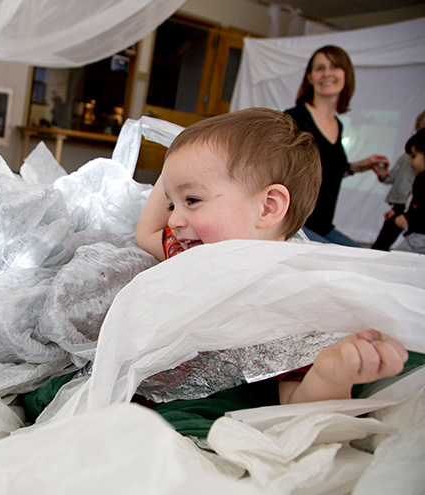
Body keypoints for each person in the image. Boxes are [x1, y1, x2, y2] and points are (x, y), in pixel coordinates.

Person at [136, 108, 408, 405]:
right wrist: (174, 170)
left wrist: (331, 375)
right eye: (171, 204)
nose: (173, 220)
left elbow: (295, 405)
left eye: (191, 200)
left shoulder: (293, 303)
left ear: (267, 208)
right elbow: (146, 233)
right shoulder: (191, 253)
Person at [285, 45, 390, 247]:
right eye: (319, 68)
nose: (327, 74)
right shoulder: (294, 119)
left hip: (324, 227)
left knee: (366, 257)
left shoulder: (337, 125)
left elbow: (327, 170)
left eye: (334, 67)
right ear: (309, 77)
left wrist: (360, 166)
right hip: (296, 225)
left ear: (346, 74)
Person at [371, 110, 425, 250]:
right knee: (381, 246)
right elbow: (392, 177)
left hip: (413, 216)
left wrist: (409, 216)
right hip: (402, 206)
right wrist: (383, 174)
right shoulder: (408, 156)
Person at [391, 129, 425, 254]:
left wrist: (408, 217)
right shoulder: (420, 178)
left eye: (414, 156)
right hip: (416, 236)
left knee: (394, 263)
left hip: (419, 238)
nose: (410, 161)